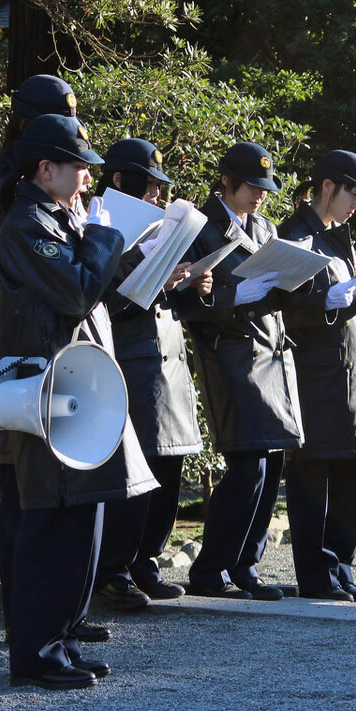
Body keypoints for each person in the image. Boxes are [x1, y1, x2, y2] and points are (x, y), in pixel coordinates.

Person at [0, 113, 159, 689]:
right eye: (79, 168)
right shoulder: (26, 223)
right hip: (50, 390)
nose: (88, 178)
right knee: (52, 524)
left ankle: (61, 638)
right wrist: (106, 237)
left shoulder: (61, 216)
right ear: (46, 169)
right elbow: (75, 288)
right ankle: (35, 654)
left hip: (79, 389)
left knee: (83, 519)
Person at [0, 74, 108, 637]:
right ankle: (30, 619)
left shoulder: (53, 191)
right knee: (27, 500)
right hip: (18, 357)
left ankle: (61, 614)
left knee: (57, 496)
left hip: (62, 352)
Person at [174, 142, 304, 601]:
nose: (260, 196)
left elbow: (276, 287)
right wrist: (233, 298)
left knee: (271, 464)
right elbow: (185, 302)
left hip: (270, 351)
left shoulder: (264, 225)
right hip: (228, 352)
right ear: (226, 181)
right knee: (247, 464)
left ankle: (246, 565)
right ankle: (211, 570)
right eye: (252, 186)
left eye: (265, 189)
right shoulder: (203, 229)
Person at [277, 150, 356, 602]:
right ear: (327, 186)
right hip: (318, 376)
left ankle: (341, 567)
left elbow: (350, 300)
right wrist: (328, 301)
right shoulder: (295, 236)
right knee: (313, 481)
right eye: (353, 191)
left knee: (352, 475)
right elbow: (285, 309)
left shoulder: (340, 237)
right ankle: (316, 575)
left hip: (354, 375)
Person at [92, 138, 212, 609]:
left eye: (162, 189)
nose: (158, 197)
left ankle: (145, 560)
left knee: (168, 464)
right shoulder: (104, 224)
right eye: (150, 186)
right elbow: (101, 302)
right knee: (133, 471)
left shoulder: (154, 226)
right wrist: (157, 281)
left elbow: (162, 297)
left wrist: (189, 283)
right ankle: (114, 569)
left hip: (168, 359)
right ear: (119, 180)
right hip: (131, 361)